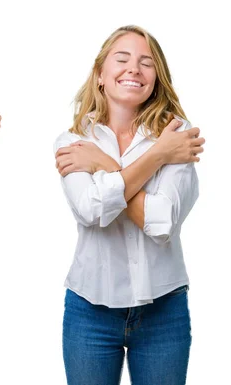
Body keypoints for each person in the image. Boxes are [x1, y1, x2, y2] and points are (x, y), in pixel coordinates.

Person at [54, 25, 205, 385]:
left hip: (163, 311)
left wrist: (106, 166)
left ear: (157, 77)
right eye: (121, 59)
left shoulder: (176, 137)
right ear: (100, 76)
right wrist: (158, 158)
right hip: (89, 312)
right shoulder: (74, 141)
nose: (133, 69)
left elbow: (161, 222)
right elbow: (91, 212)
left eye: (146, 63)